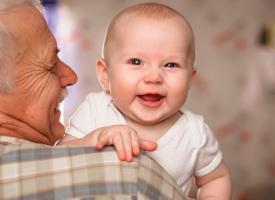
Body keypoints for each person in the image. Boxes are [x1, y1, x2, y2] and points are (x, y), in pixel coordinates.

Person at [0, 1, 186, 199]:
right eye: (50, 64)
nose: (72, 76)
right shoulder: (129, 174)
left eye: (170, 64)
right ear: (104, 73)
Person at [62, 2, 232, 199]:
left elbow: (216, 178)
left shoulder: (195, 133)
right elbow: (58, 159)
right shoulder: (96, 110)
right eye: (136, 62)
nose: (154, 77)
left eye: (171, 64)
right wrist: (95, 139)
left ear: (189, 80)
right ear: (106, 75)